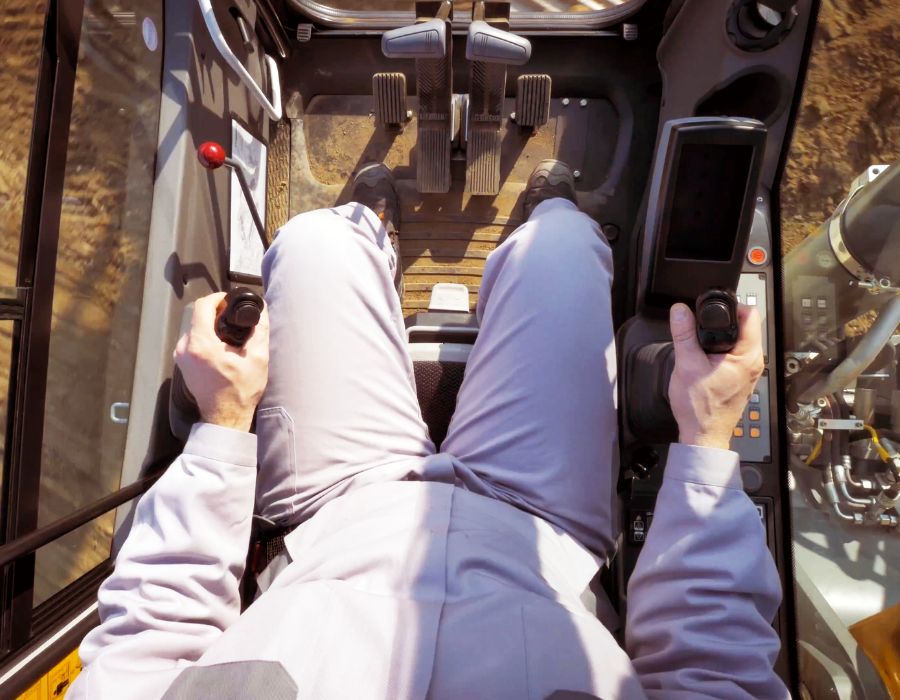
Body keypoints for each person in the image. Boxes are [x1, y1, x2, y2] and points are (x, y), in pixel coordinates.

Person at [69, 161, 787, 699]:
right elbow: (712, 670)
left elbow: (152, 637)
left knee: (313, 242)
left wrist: (225, 420)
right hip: (543, 538)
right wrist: (706, 433)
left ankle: (367, 233)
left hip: (335, 519)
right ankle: (545, 219)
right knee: (568, 249)